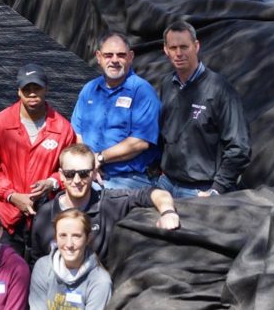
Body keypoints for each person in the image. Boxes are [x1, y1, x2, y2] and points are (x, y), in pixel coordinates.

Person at [30, 143, 180, 263]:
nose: (76, 181)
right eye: (70, 174)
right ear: (61, 175)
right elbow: (36, 261)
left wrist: (168, 212)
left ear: (94, 173)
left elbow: (153, 193)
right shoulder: (45, 214)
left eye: (83, 174)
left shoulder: (110, 203)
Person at [0, 63, 75, 257]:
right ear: (18, 91)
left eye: (37, 88)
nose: (32, 94)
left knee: (42, 273)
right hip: (6, 216)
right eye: (27, 89)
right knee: (5, 273)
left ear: (46, 89)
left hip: (45, 216)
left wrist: (51, 183)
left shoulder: (63, 128)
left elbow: (69, 170)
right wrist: (11, 195)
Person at [156, 21, 251, 198]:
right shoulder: (167, 84)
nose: (178, 53)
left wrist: (217, 189)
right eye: (173, 47)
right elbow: (163, 134)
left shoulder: (220, 90)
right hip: (166, 184)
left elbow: (239, 147)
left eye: (184, 46)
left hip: (200, 191)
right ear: (165, 50)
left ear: (196, 46)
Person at [70, 32, 160, 190]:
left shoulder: (142, 91)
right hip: (90, 173)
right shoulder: (89, 90)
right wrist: (88, 164)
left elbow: (139, 142)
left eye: (121, 55)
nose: (114, 60)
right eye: (108, 55)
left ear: (130, 57)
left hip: (130, 180)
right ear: (98, 57)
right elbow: (78, 134)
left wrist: (99, 158)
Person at [29, 211, 112, 310]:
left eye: (76, 236)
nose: (69, 244)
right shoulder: (43, 267)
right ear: (56, 238)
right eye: (63, 235)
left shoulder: (100, 281)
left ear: (88, 238)